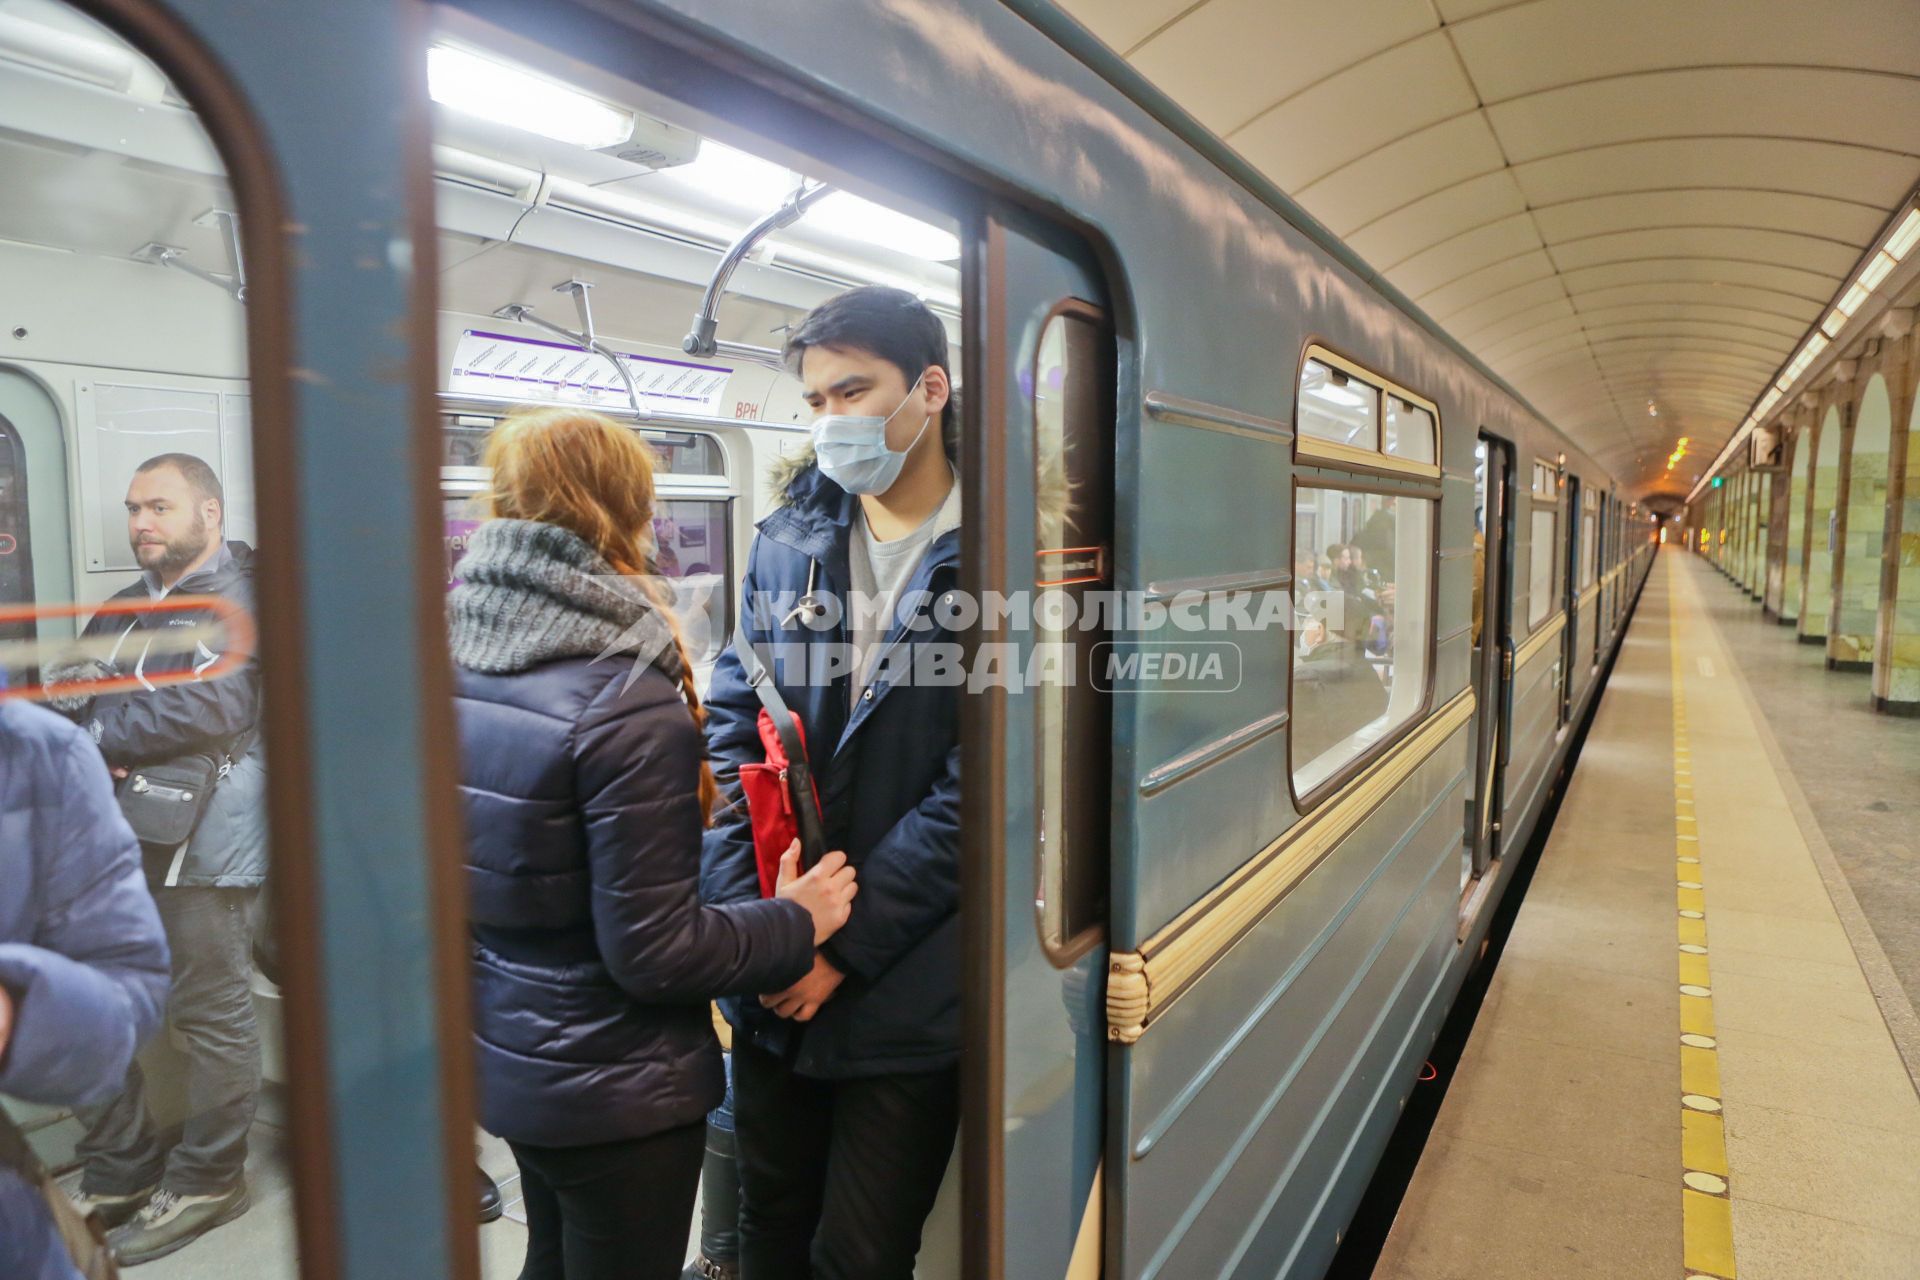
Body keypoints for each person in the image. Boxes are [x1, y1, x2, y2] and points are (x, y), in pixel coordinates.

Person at [448, 407, 857, 1280]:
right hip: (616, 1085)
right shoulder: (621, 699)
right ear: (629, 515)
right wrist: (794, 919)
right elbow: (656, 955)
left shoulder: (461, 660)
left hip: (513, 1057)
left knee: (549, 1258)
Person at [701, 285, 964, 1280]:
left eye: (852, 391)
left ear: (927, 389)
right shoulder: (788, 541)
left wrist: (837, 946)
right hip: (777, 961)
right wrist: (757, 937)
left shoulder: (1008, 555)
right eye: (813, 401)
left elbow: (979, 787)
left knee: (859, 1251)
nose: (830, 421)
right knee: (766, 1231)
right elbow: (737, 737)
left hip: (907, 978)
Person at [56, 454, 264, 1266]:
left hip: (206, 836)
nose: (141, 523)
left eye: (160, 508)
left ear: (208, 514)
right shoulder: (123, 606)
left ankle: (211, 1178)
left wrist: (103, 726)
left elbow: (214, 703)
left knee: (211, 1012)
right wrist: (100, 712)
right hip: (116, 831)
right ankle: (121, 1168)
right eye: (134, 508)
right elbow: (68, 684)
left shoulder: (244, 600)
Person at [1, 698, 171, 1280]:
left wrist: (16, 1011)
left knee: (211, 1014)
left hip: (189, 818)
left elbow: (128, 995)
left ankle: (157, 1169)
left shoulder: (37, 757)